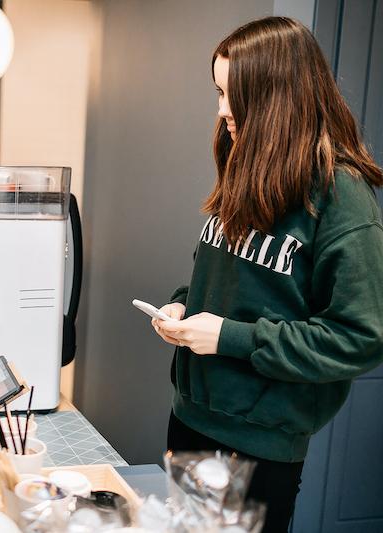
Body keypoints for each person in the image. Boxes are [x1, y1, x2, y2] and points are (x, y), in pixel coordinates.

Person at [152, 17, 383, 532]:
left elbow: (359, 337)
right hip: (190, 416)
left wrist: (230, 338)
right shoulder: (246, 163)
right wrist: (184, 304)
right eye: (218, 92)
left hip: (258, 444)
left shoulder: (341, 198)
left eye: (235, 95)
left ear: (280, 97)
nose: (222, 110)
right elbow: (237, 282)